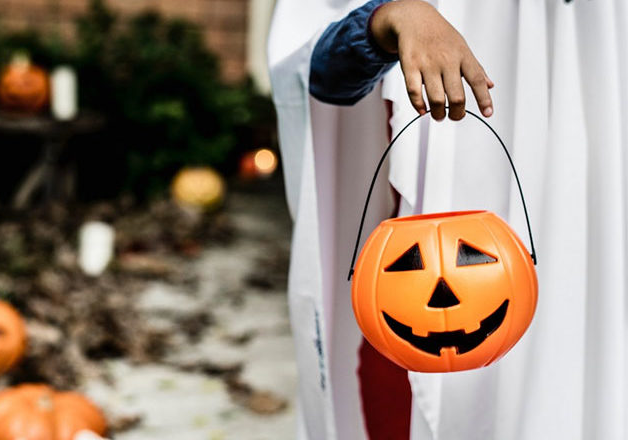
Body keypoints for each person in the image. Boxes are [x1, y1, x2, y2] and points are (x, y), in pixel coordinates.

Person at [268, 1, 627, 439]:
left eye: (474, 258)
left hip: (592, 187)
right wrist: (391, 19)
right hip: (428, 189)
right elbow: (316, 67)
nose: (444, 299)